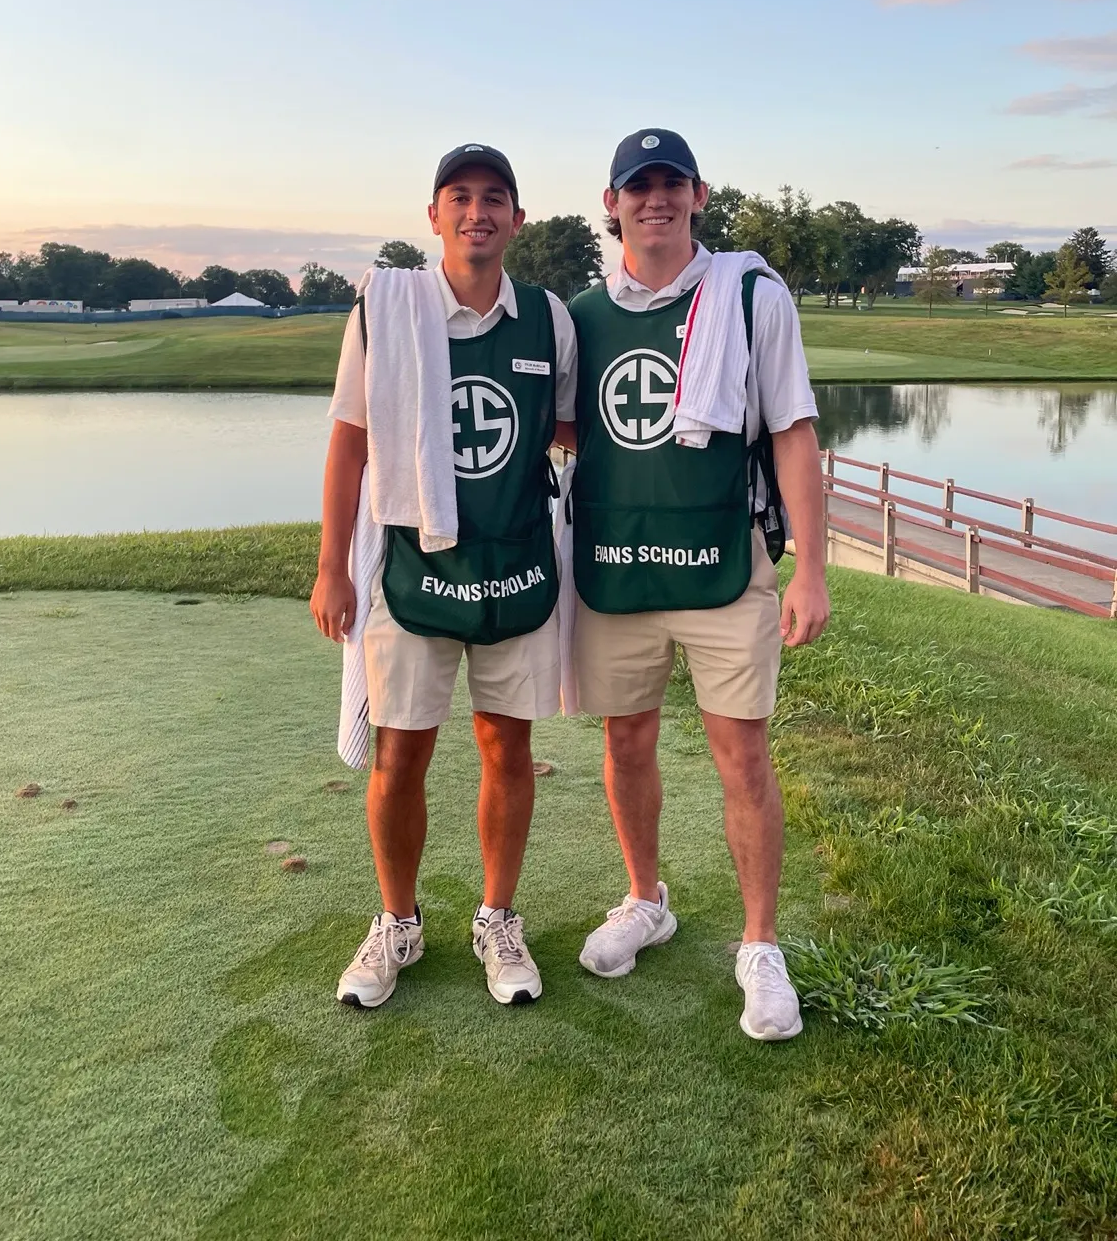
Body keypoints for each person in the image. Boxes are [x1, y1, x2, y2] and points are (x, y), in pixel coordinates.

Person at [566, 128, 829, 1041]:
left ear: (699, 195)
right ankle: (647, 899)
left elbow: (793, 430)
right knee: (626, 741)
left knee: (741, 757)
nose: (655, 200)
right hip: (618, 562)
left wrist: (812, 570)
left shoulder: (751, 295)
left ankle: (760, 946)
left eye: (671, 183)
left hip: (726, 560)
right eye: (637, 186)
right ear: (612, 203)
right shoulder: (582, 316)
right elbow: (565, 434)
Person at [311, 144, 577, 1010]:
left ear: (517, 219)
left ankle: (497, 919)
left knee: (508, 749)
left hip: (516, 564)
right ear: (433, 216)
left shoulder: (549, 319)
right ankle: (397, 923)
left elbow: (570, 434)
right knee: (403, 754)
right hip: (411, 570)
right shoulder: (385, 310)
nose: (477, 213)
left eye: (494, 198)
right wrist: (329, 569)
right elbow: (349, 438)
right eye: (459, 198)